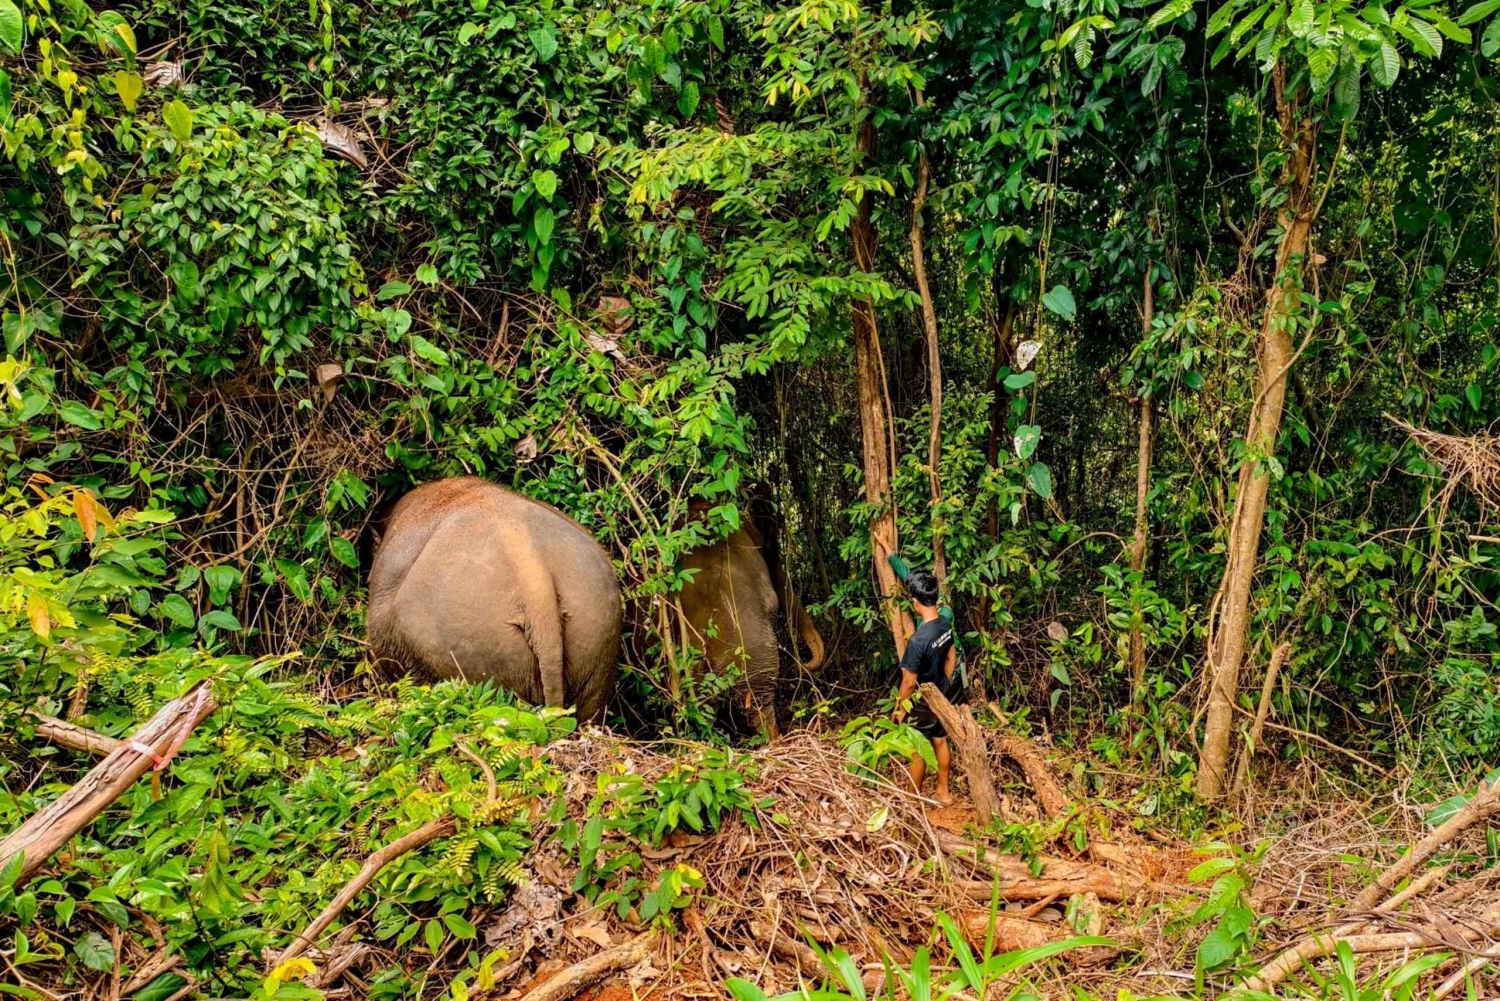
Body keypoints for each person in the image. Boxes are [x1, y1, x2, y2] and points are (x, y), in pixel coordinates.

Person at [892, 569, 960, 805]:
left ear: (915, 601)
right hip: (942, 694)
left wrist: (900, 708)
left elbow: (909, 681)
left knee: (917, 749)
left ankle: (912, 801)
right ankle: (944, 792)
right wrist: (946, 683)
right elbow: (951, 656)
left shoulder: (918, 641)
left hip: (922, 701)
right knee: (940, 740)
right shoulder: (945, 622)